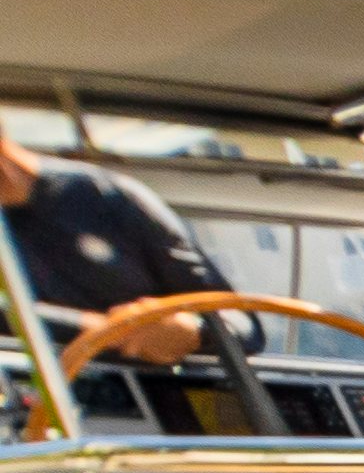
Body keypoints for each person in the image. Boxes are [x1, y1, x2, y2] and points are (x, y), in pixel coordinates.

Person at [0, 130, 226, 373]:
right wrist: (104, 329)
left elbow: (239, 320)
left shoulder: (105, 196)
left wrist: (192, 328)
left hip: (177, 391)